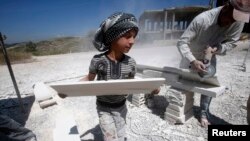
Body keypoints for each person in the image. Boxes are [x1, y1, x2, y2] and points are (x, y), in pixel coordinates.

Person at [81, 12, 159, 141]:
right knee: (109, 136)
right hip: (103, 107)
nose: (132, 41)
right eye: (128, 36)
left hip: (122, 106)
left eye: (134, 37)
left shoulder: (131, 63)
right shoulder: (98, 61)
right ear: (112, 36)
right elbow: (89, 78)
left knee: (121, 133)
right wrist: (67, 90)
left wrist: (150, 89)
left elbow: (132, 83)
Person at [177, 0, 250, 128]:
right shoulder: (202, 20)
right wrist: (193, 60)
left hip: (210, 55)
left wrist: (218, 48)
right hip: (190, 56)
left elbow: (232, 43)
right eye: (229, 19)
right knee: (183, 82)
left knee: (209, 83)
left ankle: (204, 113)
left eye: (234, 21)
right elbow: (182, 43)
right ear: (226, 8)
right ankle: (181, 109)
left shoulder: (238, 20)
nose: (230, 23)